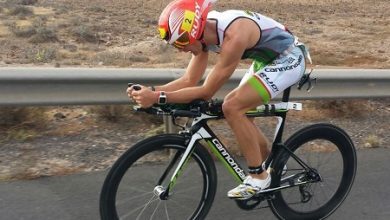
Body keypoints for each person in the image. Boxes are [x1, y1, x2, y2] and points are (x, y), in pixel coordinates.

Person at [127, 0, 311, 200]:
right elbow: (189, 80)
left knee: (232, 106)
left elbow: (206, 91)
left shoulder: (234, 35)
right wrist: (153, 92)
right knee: (243, 115)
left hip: (289, 58)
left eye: (181, 43)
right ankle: (273, 165)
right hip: (265, 59)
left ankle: (258, 176)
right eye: (175, 45)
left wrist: (156, 97)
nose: (180, 50)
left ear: (195, 31)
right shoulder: (204, 34)